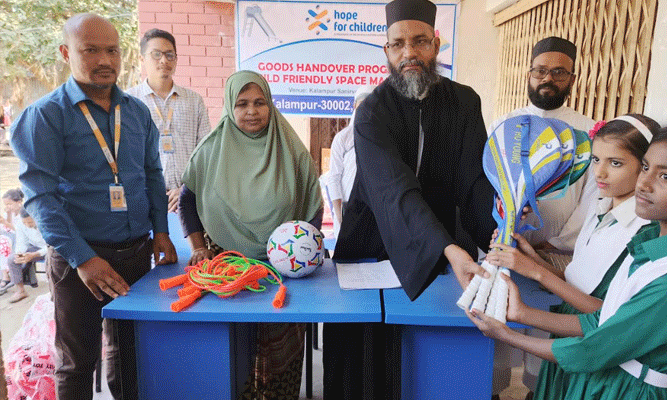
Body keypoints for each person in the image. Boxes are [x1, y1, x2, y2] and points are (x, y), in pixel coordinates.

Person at [468, 117, 667, 400]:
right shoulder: (653, 245)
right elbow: (606, 319)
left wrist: (507, 334)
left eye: (666, 177)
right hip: (604, 377)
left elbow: (593, 347)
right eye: (647, 168)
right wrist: (523, 312)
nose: (644, 183)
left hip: (624, 389)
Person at [326, 0, 497, 397]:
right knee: (366, 362)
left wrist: (498, 236)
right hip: (373, 242)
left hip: (441, 247)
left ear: (435, 46)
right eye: (399, 44)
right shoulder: (371, 111)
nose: (410, 53)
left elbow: (474, 181)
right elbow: (393, 189)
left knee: (436, 353)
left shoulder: (465, 102)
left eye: (420, 42)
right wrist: (449, 248)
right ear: (386, 50)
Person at [9, 13, 177, 400]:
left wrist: (161, 231)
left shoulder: (135, 112)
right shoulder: (45, 116)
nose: (105, 60)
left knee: (131, 355)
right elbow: (40, 197)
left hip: (136, 255)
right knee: (78, 362)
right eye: (91, 50)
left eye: (112, 50)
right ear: (67, 52)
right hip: (77, 262)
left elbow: (152, 174)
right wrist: (84, 260)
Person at [486, 114, 660, 400]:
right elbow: (578, 280)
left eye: (615, 163)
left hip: (592, 347)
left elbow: (606, 314)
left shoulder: (645, 233)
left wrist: (535, 270)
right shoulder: (601, 207)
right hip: (567, 334)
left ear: (645, 167)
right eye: (595, 160)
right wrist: (532, 259)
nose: (599, 173)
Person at [178, 70, 322, 399]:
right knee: (231, 351)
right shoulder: (210, 150)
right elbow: (187, 203)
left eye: (260, 103)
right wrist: (198, 248)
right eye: (242, 103)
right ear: (230, 106)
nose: (251, 111)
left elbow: (313, 204)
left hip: (284, 268)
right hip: (227, 266)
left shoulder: (291, 148)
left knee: (279, 353)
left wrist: (306, 246)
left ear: (270, 105)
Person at [488, 36, 598, 398]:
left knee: (544, 344)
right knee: (499, 334)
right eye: (540, 70)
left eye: (558, 72)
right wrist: (504, 227)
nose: (547, 79)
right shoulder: (505, 123)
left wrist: (555, 243)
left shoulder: (589, 132)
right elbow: (492, 180)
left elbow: (594, 199)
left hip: (557, 258)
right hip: (506, 249)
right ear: (528, 73)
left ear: (572, 78)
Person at [126, 28, 211, 213]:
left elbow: (206, 153)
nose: (164, 60)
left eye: (169, 55)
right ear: (142, 59)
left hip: (189, 199)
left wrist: (186, 188)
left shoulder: (194, 100)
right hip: (145, 200)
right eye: (156, 54)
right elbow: (126, 156)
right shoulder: (128, 102)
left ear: (176, 59)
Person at [326, 84, 375, 237]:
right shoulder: (343, 137)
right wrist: (339, 213)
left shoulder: (383, 137)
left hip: (373, 209)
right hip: (348, 207)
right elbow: (334, 177)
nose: (366, 109)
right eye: (362, 104)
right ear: (354, 106)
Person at [6, 208, 47, 303]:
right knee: (12, 259)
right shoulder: (21, 224)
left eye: (30, 222)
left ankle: (54, 290)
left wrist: (35, 254)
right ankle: (20, 291)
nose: (27, 225)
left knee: (51, 259)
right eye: (25, 223)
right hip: (36, 248)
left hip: (51, 249)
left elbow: (52, 245)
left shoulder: (45, 221)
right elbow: (21, 241)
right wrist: (20, 255)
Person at [0, 188, 24, 295]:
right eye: (6, 204)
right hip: (12, 237)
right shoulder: (11, 213)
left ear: (18, 202)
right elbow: (7, 227)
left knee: (3, 242)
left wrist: (5, 222)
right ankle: (5, 273)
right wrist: (8, 216)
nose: (7, 207)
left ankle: (5, 275)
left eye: (9, 204)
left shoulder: (24, 213)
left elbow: (19, 230)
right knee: (3, 239)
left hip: (21, 239)